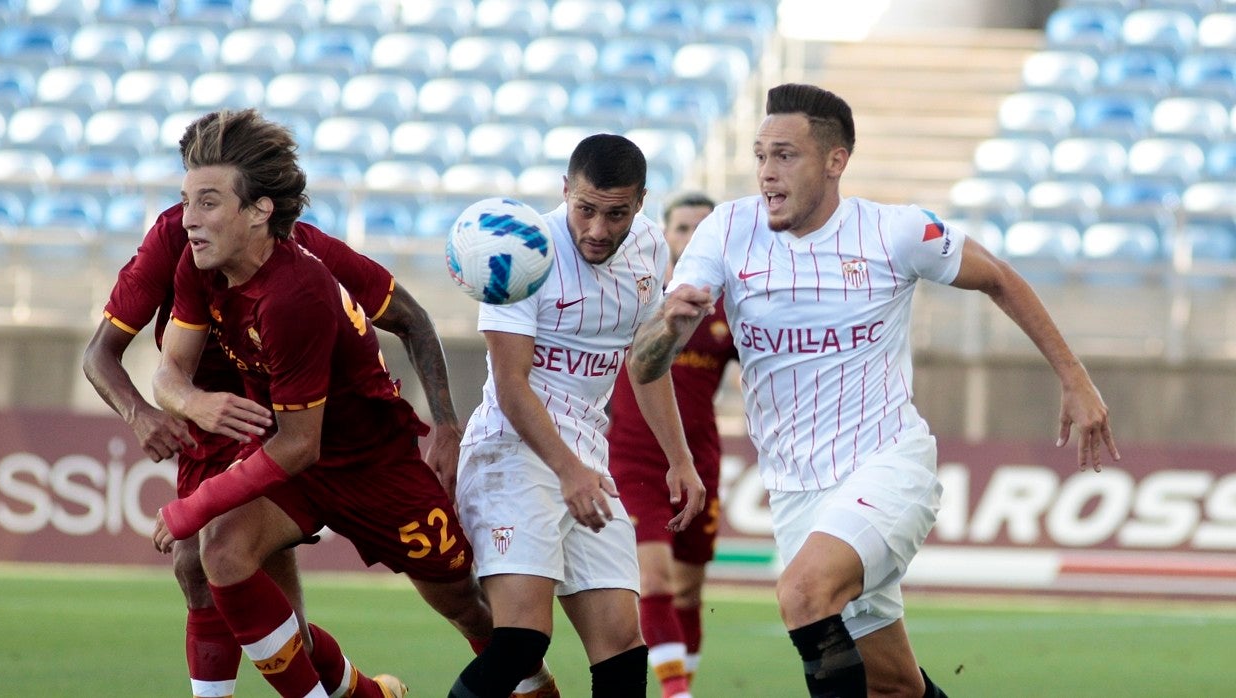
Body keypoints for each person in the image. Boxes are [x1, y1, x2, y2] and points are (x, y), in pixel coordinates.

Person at [630, 83, 1121, 698]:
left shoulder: (895, 233)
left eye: (785, 155)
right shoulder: (727, 230)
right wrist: (668, 328)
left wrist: (1075, 378)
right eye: (760, 155)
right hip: (794, 492)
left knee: (804, 593)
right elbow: (646, 361)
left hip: (888, 464)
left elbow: (998, 278)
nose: (766, 173)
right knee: (894, 687)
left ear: (835, 161)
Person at [144, 108, 554, 698]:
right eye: (185, 201)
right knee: (220, 552)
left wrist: (445, 425)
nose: (186, 221)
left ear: (261, 210)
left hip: (371, 467)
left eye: (206, 202)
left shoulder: (297, 289)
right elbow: (169, 370)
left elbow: (403, 330)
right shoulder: (199, 263)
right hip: (292, 460)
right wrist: (193, 402)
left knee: (466, 607)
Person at [447, 134, 707, 698]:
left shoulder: (650, 250)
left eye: (615, 214)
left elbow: (644, 366)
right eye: (584, 209)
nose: (596, 229)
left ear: (639, 202)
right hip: (513, 451)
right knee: (520, 641)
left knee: (621, 644)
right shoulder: (518, 251)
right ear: (565, 191)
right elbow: (512, 387)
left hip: (587, 457)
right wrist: (567, 471)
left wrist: (679, 460)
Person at [606, 191, 736, 698]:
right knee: (654, 580)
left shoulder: (728, 313)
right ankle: (676, 695)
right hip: (634, 457)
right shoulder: (634, 296)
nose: (690, 238)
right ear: (665, 234)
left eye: (702, 229)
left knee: (687, 590)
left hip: (699, 459)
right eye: (682, 228)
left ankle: (681, 687)